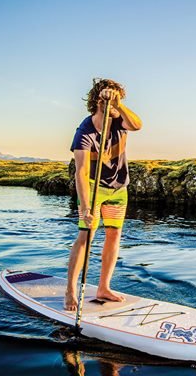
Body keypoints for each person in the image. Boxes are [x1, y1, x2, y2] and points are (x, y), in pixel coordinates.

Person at [64, 78, 143, 311]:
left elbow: (138, 125)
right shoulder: (85, 131)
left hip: (119, 188)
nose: (115, 104)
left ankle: (103, 288)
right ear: (98, 100)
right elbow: (81, 171)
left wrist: (118, 104)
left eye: (119, 99)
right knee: (86, 237)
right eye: (110, 98)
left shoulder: (121, 121)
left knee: (114, 235)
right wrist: (86, 208)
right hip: (93, 187)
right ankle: (70, 290)